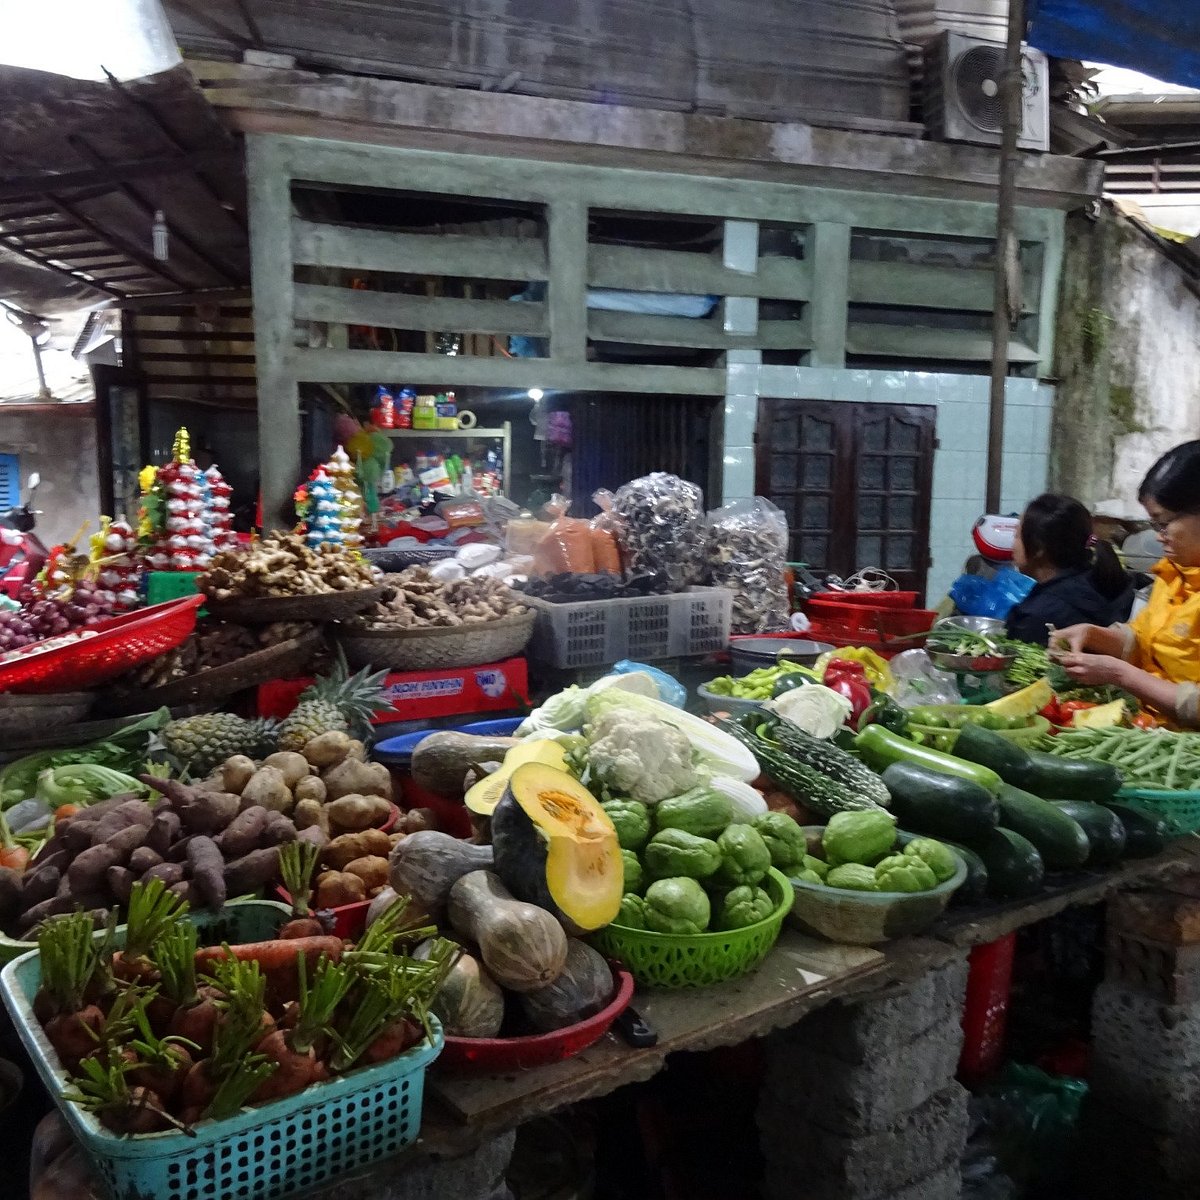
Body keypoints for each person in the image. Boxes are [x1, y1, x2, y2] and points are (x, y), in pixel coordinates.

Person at [1053, 441, 1200, 726]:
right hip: (1151, 728)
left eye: (1162, 523)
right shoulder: (1175, 572)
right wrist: (1094, 635)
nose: (1158, 537)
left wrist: (1119, 674)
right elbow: (1148, 640)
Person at [1005, 494, 1133, 645]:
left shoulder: (1038, 617)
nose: (1012, 544)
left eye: (1017, 535)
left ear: (1039, 547)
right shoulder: (1099, 577)